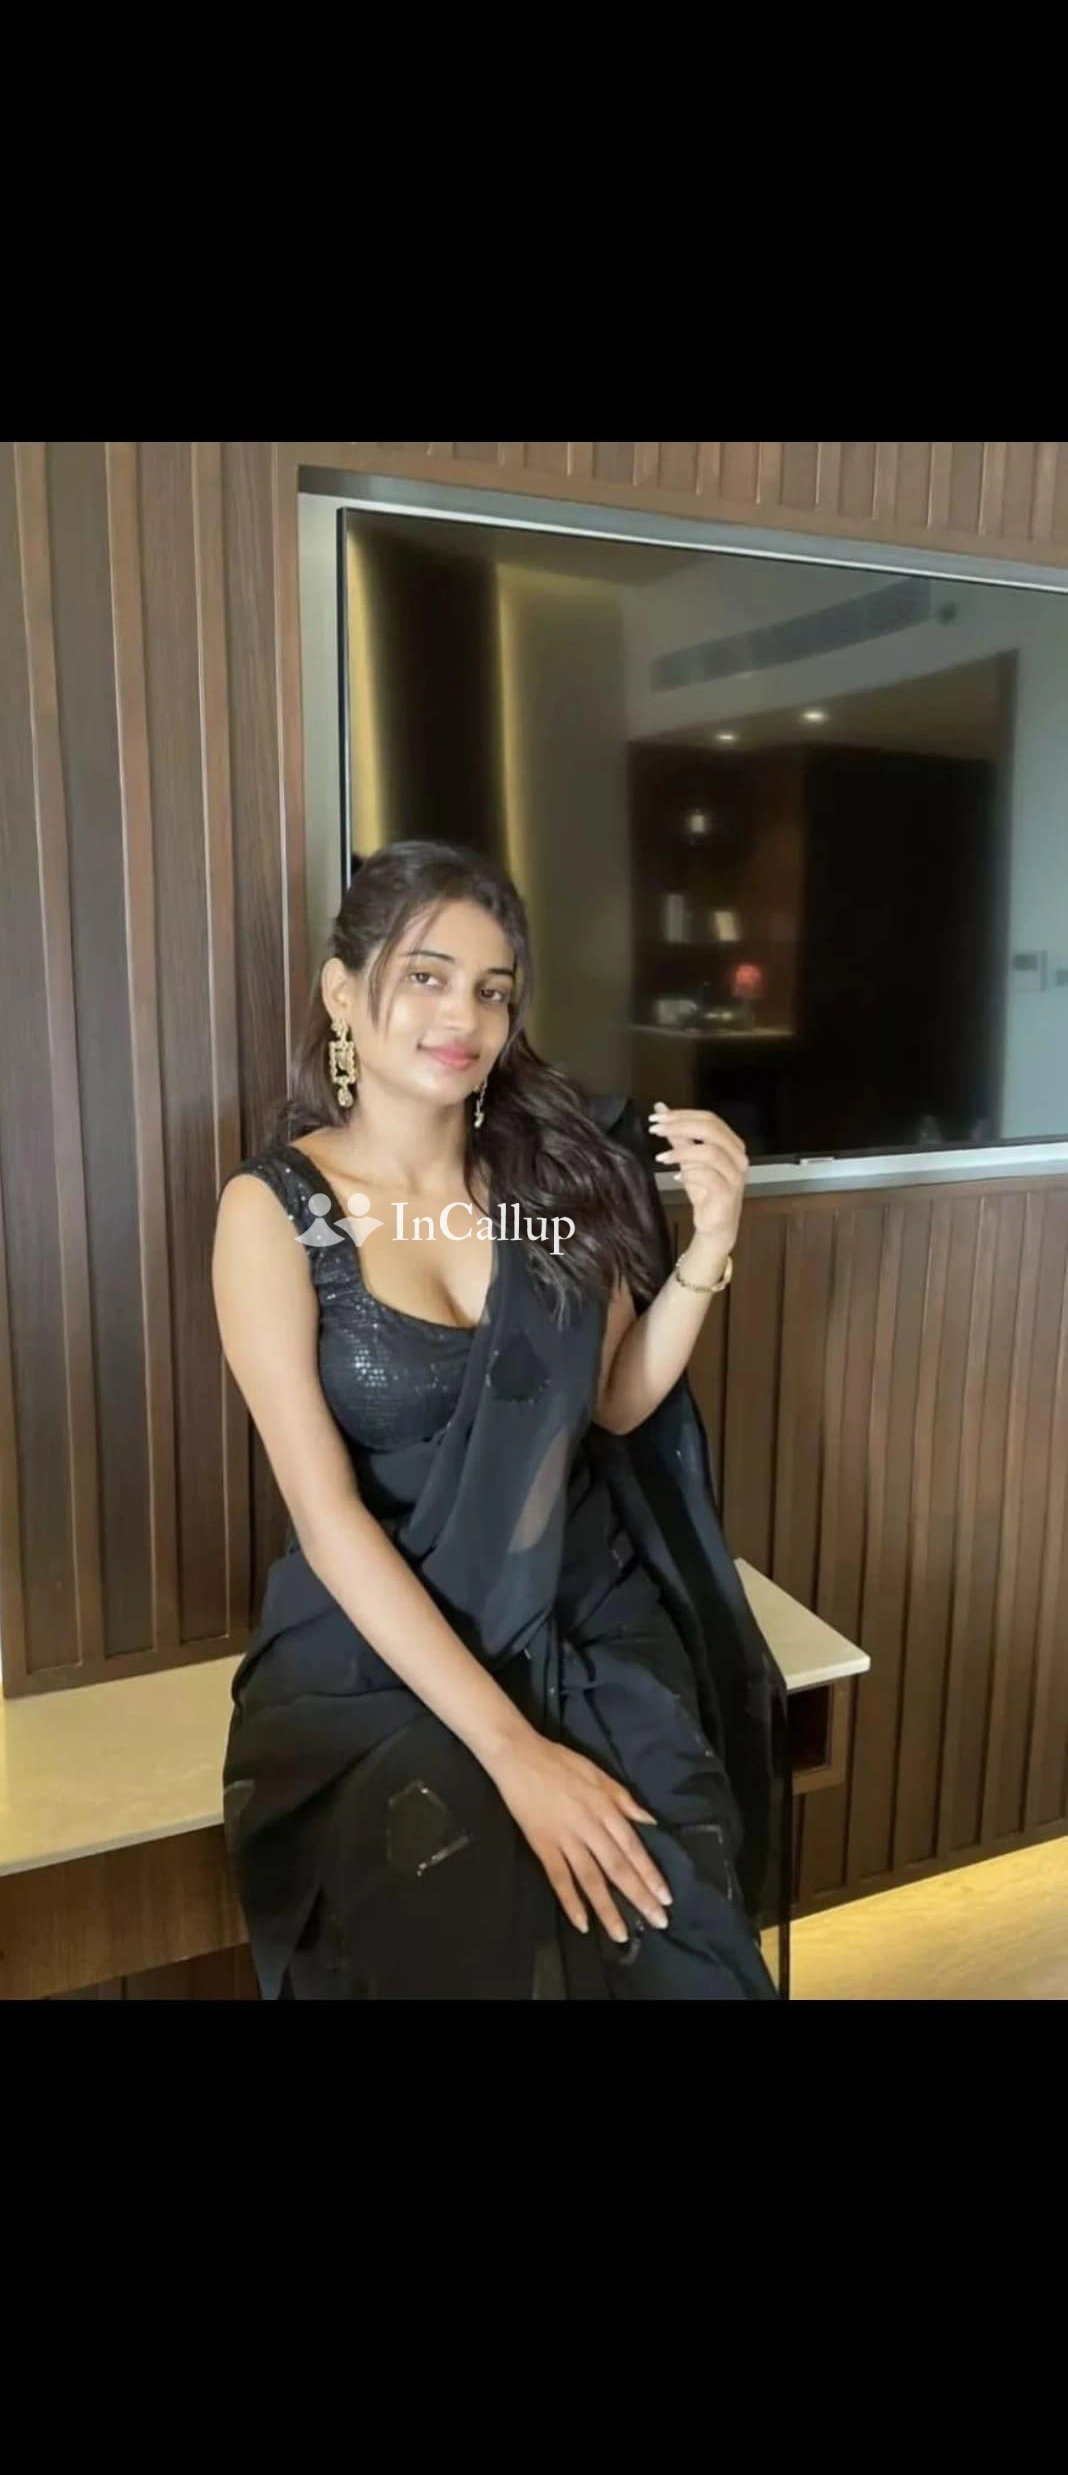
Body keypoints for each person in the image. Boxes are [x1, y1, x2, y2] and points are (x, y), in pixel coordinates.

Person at [213, 840, 788, 2002]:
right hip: (379, 1652)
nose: (462, 1017)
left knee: (674, 1922)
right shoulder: (279, 1213)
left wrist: (711, 1248)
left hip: (586, 1618)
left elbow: (613, 1403)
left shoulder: (553, 1184)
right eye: (426, 976)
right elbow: (328, 1519)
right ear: (342, 994)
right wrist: (514, 1750)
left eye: (492, 989)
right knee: (460, 1921)